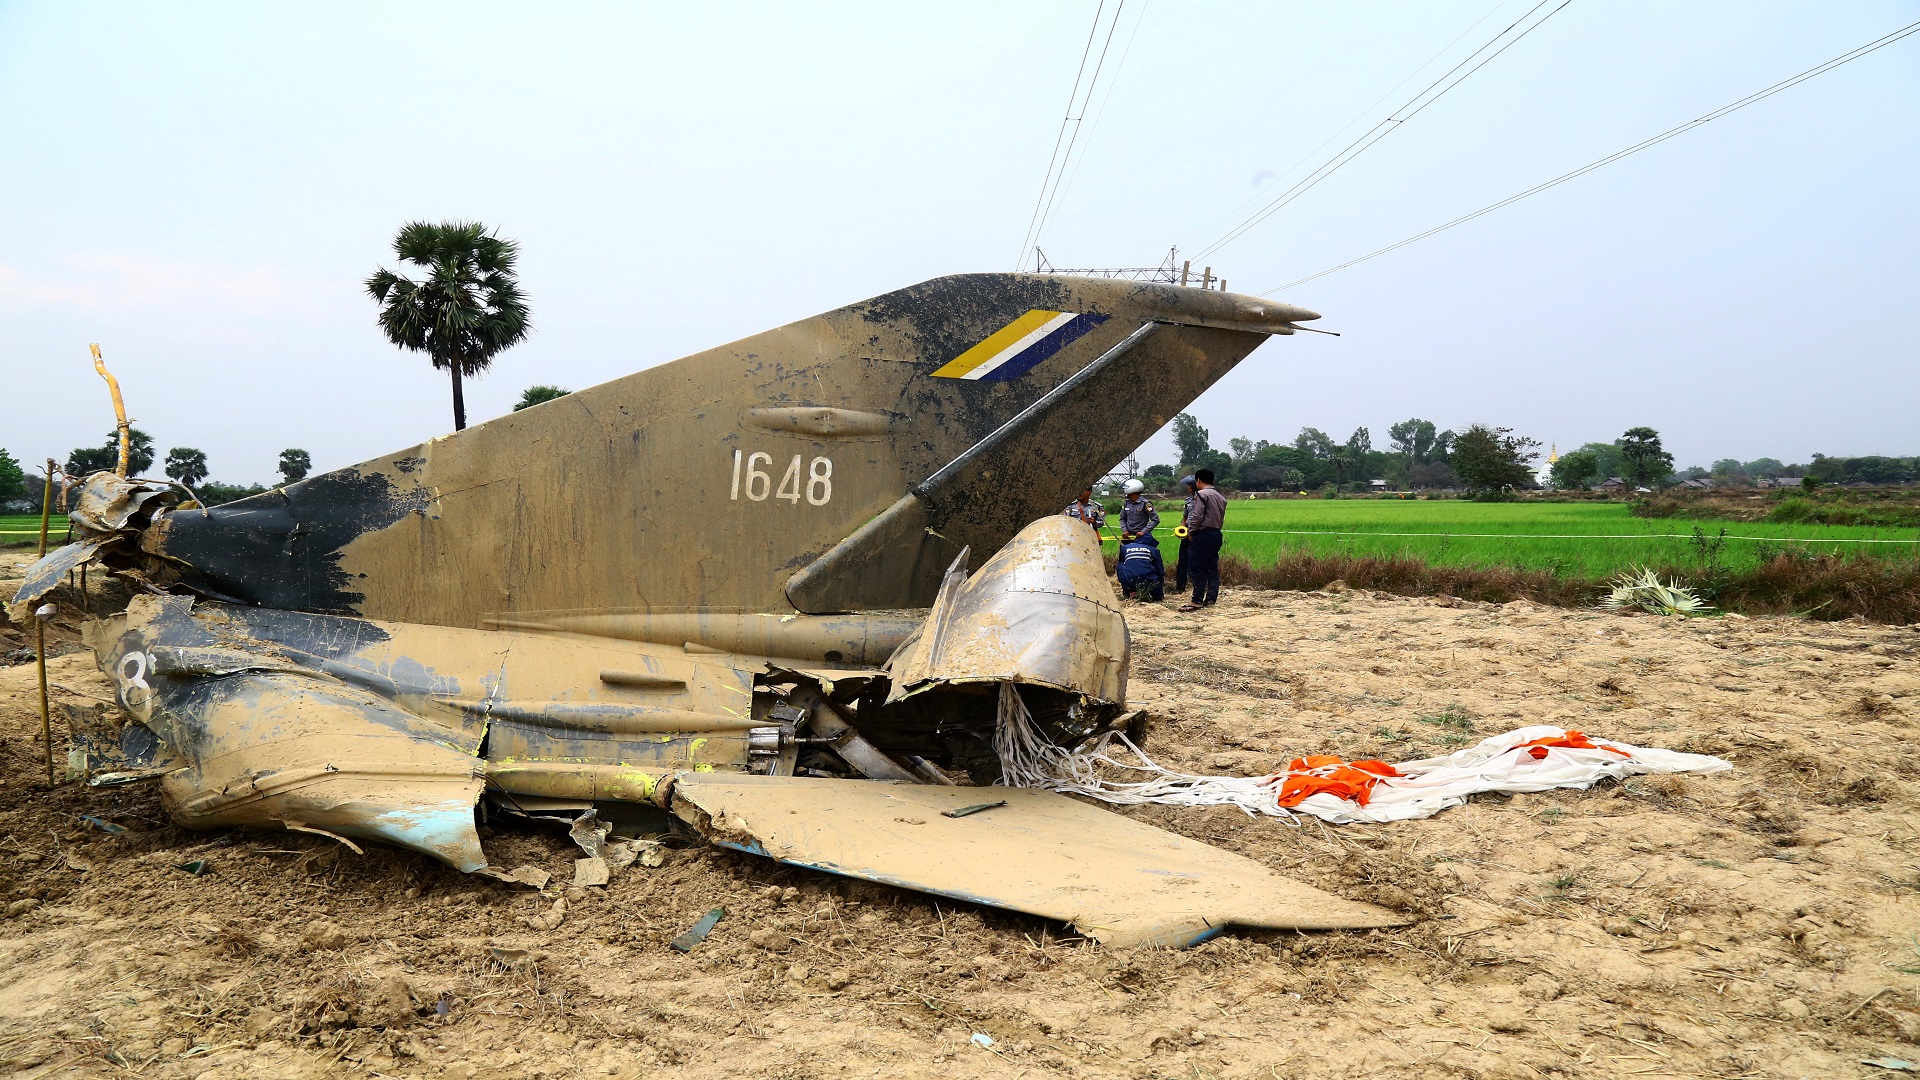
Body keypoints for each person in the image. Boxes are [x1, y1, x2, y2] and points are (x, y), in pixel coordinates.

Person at [1180, 468, 1227, 610]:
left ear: (1198, 481)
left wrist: (1191, 531)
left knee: (1196, 567)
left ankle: (1197, 600)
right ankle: (1211, 599)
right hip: (1216, 533)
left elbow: (1197, 515)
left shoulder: (1201, 495)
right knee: (1212, 567)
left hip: (1203, 534)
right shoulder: (1220, 497)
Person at [1115, 533, 1164, 601]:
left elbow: (1122, 562)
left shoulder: (1125, 547)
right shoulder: (1154, 550)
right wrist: (1159, 584)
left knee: (1120, 564)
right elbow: (1159, 569)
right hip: (1149, 579)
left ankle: (1127, 591)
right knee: (1159, 599)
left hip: (1128, 579)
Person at [1171, 475, 1196, 594]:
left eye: (1189, 485)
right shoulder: (1188, 500)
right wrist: (1182, 527)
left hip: (1198, 534)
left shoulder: (1204, 499)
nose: (1187, 488)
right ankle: (1180, 587)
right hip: (1187, 534)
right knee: (1183, 561)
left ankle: (1199, 586)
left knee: (1199, 560)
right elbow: (1185, 517)